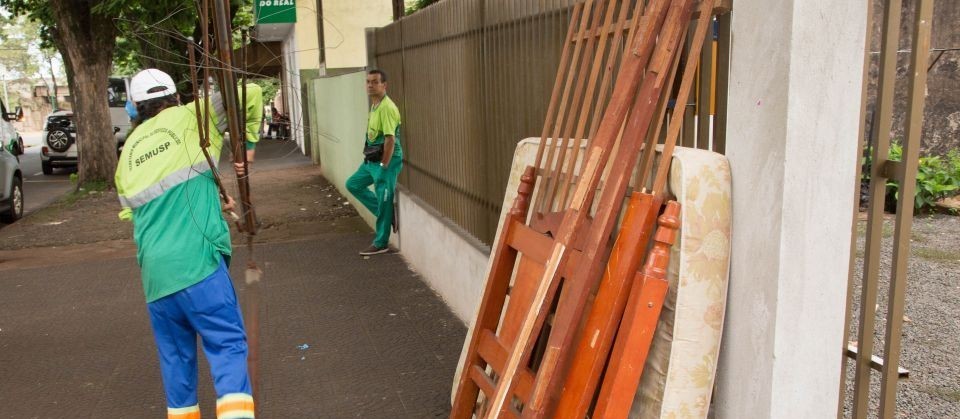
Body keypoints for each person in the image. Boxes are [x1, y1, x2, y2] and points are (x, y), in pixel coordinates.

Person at [114, 69, 262, 419]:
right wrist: (248, 148)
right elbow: (251, 91)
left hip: (156, 278)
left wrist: (208, 197)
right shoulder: (196, 116)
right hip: (198, 265)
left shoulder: (127, 153)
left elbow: (138, 213)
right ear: (175, 96)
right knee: (227, 346)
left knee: (176, 362)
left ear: (136, 106)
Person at [346, 69, 403, 256]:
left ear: (384, 85)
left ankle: (381, 243)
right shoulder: (375, 104)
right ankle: (386, 213)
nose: (370, 85)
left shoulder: (387, 108)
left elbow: (390, 139)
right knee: (353, 184)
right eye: (368, 82)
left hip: (386, 160)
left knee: (384, 197)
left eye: (375, 82)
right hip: (372, 159)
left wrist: (384, 165)